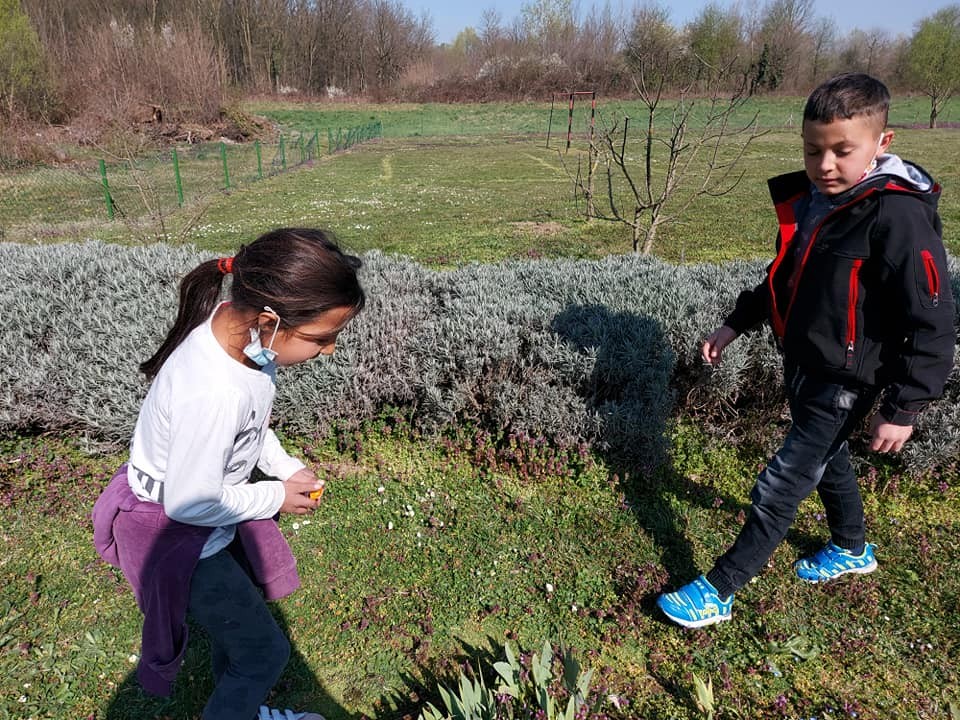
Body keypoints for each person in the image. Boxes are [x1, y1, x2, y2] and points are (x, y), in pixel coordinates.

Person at [657, 73, 955, 628]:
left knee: (784, 480)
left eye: (842, 150)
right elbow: (784, 277)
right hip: (803, 363)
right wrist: (735, 324)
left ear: (881, 143)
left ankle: (720, 588)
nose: (825, 164)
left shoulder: (897, 214)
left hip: (848, 379)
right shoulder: (814, 201)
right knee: (829, 456)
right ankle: (851, 547)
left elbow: (932, 317)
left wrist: (905, 406)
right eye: (813, 150)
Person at [92, 228, 365, 719]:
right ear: (270, 321)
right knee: (263, 653)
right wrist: (274, 496)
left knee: (240, 643)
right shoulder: (213, 390)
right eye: (323, 338)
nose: (329, 350)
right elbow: (190, 503)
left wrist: (283, 467)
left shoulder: (242, 338)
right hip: (176, 533)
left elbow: (251, 425)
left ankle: (240, 708)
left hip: (201, 518)